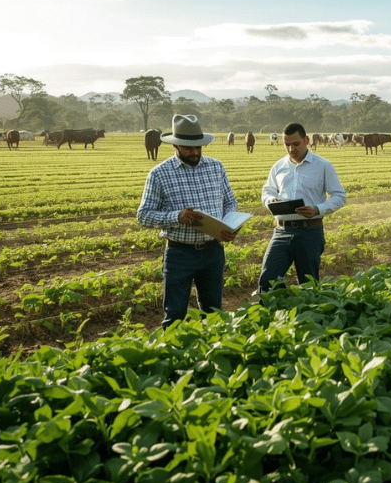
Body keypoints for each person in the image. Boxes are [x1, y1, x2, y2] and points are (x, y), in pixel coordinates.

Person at [136, 114, 240, 329]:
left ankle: (211, 355)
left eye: (198, 147)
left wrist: (231, 225)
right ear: (175, 146)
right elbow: (144, 215)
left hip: (213, 252)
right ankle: (175, 358)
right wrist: (177, 216)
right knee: (175, 314)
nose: (194, 152)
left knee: (213, 314)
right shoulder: (159, 174)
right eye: (188, 148)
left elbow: (230, 202)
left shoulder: (216, 167)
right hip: (179, 254)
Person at [258, 122, 346, 294]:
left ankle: (306, 317)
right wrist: (271, 201)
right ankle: (274, 316)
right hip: (282, 232)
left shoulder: (323, 166)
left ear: (306, 140)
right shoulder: (278, 166)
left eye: (295, 144)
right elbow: (267, 191)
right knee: (268, 280)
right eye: (287, 145)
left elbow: (339, 196)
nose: (291, 149)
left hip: (310, 232)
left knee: (308, 284)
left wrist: (317, 209)